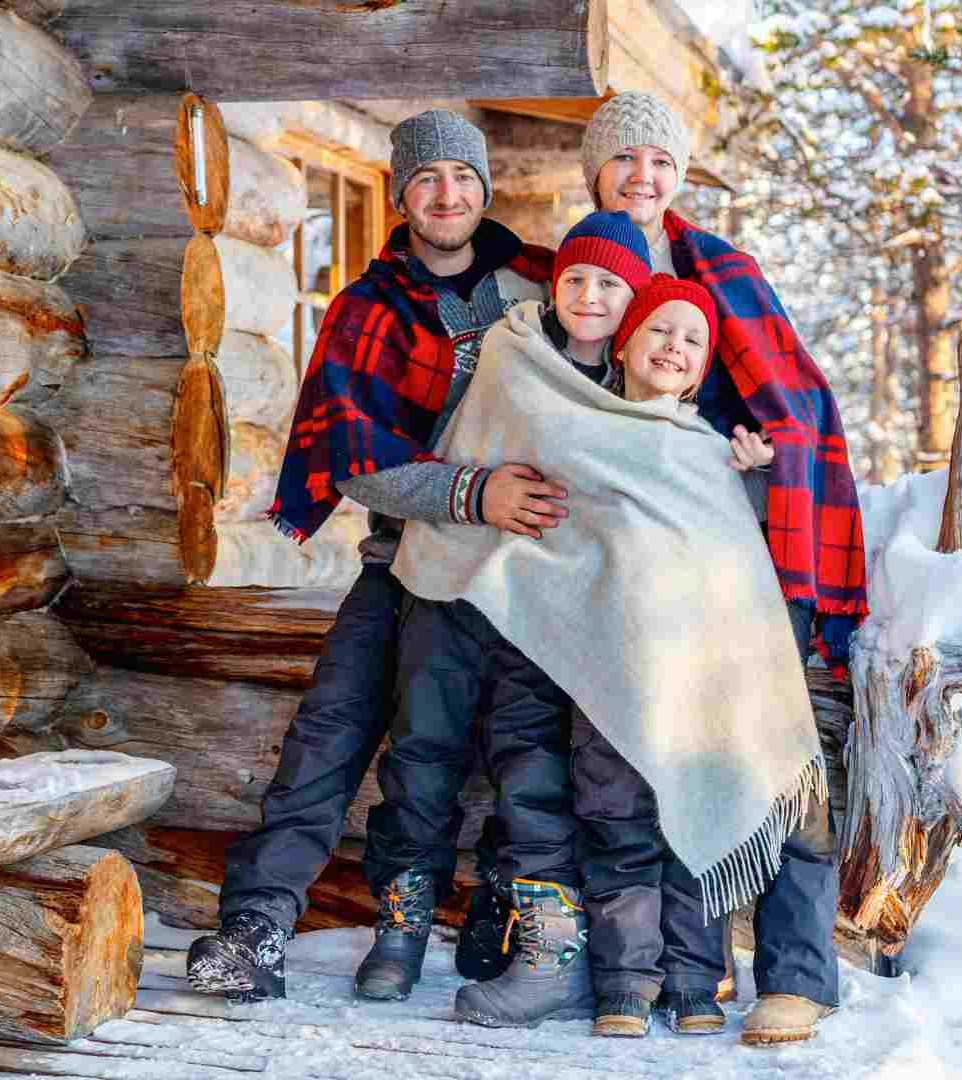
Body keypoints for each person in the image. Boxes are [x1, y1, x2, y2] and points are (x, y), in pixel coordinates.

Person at [185, 108, 563, 1003]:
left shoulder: (539, 287)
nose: (447, 194)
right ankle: (257, 927)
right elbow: (355, 458)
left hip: (520, 568)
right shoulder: (369, 306)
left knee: (527, 743)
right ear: (401, 196)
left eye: (463, 178)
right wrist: (472, 493)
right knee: (331, 727)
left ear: (484, 189)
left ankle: (503, 914)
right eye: (427, 179)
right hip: (402, 559)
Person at [395, 273, 825, 1043]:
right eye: (661, 330)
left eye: (693, 341)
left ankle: (695, 983)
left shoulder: (707, 451)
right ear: (625, 342)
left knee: (693, 813)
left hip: (693, 682)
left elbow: (732, 557)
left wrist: (758, 479)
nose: (675, 347)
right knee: (614, 820)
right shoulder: (572, 418)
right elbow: (559, 520)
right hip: (599, 662)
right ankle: (621, 985)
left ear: (702, 371)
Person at [577, 90, 870, 1045]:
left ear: (680, 175)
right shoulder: (578, 274)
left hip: (745, 550)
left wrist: (753, 458)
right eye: (624, 161)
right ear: (595, 172)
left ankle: (796, 976)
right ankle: (682, 977)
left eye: (660, 162)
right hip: (636, 573)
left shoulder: (725, 271)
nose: (642, 178)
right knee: (668, 771)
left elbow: (796, 406)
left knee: (781, 757)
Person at [354, 210, 664, 1010]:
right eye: (576, 279)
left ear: (634, 300)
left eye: (610, 283)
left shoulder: (639, 388)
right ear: (553, 286)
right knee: (421, 749)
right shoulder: (511, 346)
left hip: (546, 606)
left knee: (532, 769)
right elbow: (462, 443)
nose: (590, 295)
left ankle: (549, 947)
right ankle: (400, 927)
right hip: (452, 579)